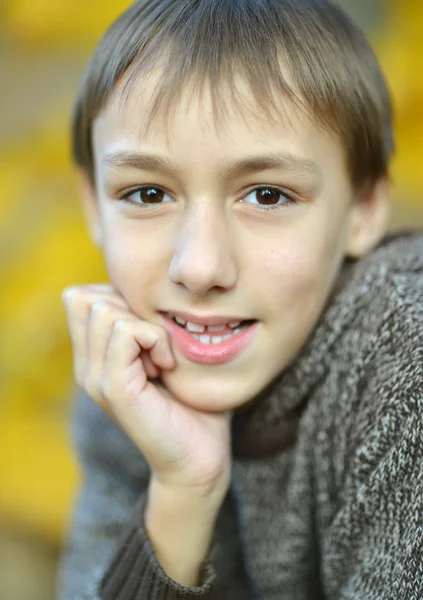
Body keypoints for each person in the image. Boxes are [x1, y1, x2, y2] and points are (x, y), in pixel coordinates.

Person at [57, 1, 423, 598]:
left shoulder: (407, 355)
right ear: (94, 206)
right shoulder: (121, 378)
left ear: (363, 210)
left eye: (269, 196)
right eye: (147, 193)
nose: (199, 266)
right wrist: (182, 492)